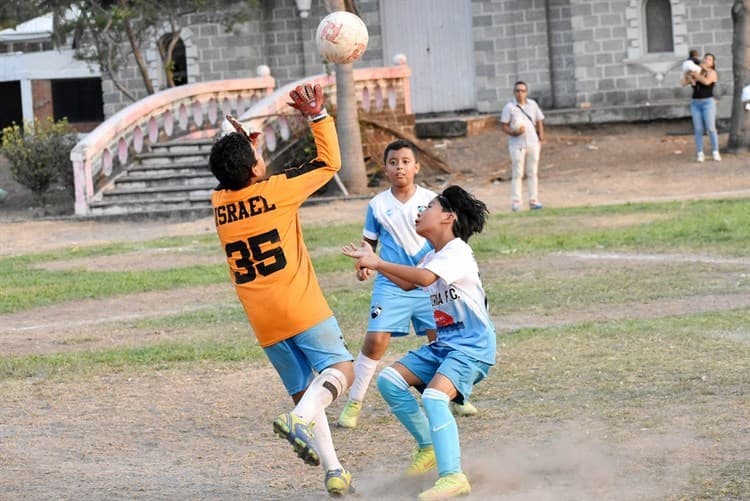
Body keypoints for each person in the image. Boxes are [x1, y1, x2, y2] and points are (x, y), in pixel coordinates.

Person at [208, 83, 355, 497]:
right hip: (299, 305)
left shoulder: (218, 203)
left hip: (263, 319)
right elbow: (329, 163)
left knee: (306, 392)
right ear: (254, 168)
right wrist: (318, 116)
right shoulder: (278, 192)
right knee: (341, 371)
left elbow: (234, 175)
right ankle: (298, 421)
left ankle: (334, 471)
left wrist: (244, 150)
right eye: (257, 157)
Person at [342, 185, 495, 501]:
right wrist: (372, 262)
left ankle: (453, 477)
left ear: (447, 218)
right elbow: (410, 282)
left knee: (436, 398)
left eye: (428, 208)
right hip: (446, 346)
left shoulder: (457, 252)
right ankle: (429, 445)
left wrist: (379, 262)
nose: (419, 212)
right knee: (390, 380)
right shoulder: (433, 255)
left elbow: (424, 279)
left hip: (471, 346)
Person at [336, 140, 477, 430]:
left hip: (428, 280)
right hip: (390, 282)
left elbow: (444, 239)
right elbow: (369, 245)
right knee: (375, 341)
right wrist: (363, 264)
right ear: (385, 169)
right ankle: (355, 401)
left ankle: (457, 396)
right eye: (392, 162)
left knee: (441, 340)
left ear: (416, 167)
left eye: (404, 161)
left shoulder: (432, 201)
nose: (399, 167)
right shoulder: (377, 205)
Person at [500, 80, 545, 212]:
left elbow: (539, 120)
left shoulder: (532, 105)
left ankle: (533, 200)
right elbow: (503, 126)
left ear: (526, 92)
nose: (520, 93)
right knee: (517, 173)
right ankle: (516, 201)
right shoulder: (509, 107)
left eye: (522, 91)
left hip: (532, 143)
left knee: (532, 172)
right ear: (514, 93)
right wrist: (513, 132)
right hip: (517, 144)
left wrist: (541, 135)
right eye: (518, 91)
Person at [681, 53, 721, 163]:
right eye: (705, 59)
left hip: (708, 103)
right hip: (695, 103)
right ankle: (700, 153)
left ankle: (715, 151)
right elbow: (683, 83)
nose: (706, 61)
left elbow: (707, 82)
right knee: (698, 129)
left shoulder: (713, 73)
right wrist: (687, 73)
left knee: (711, 128)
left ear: (712, 63)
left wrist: (697, 75)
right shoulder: (697, 71)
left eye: (709, 59)